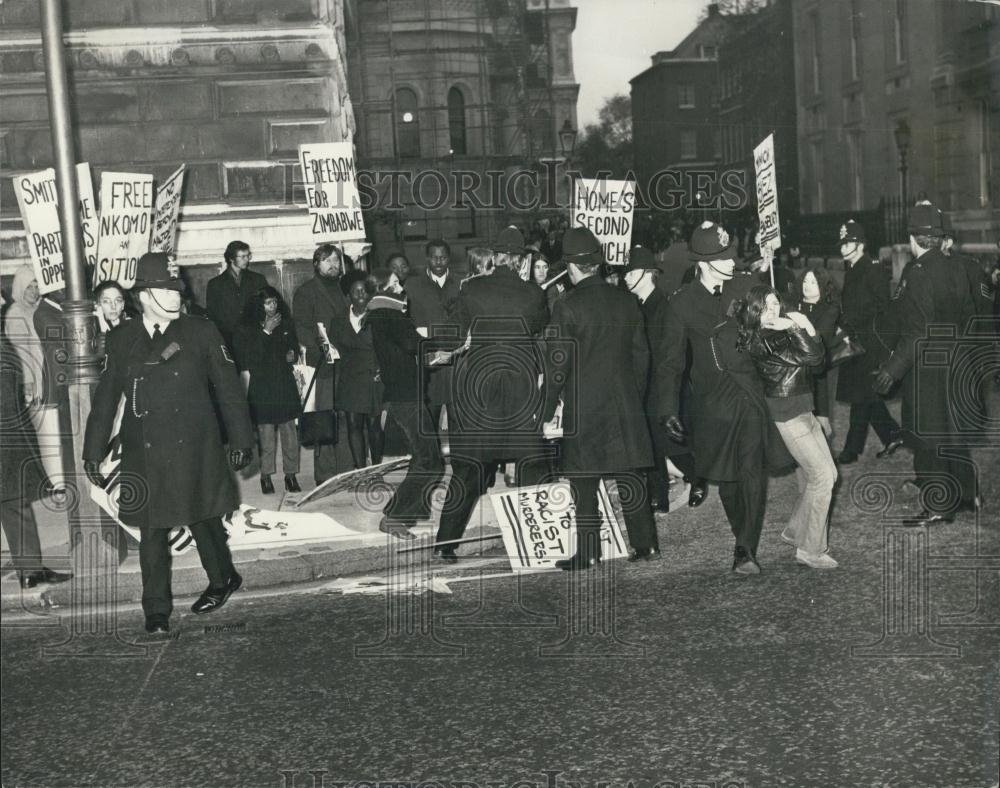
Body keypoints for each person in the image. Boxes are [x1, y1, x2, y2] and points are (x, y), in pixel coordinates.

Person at [83, 253, 254, 634]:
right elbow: (106, 398)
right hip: (144, 447)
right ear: (143, 296)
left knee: (203, 517)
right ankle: (156, 610)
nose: (176, 297)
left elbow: (229, 389)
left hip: (194, 443)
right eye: (165, 290)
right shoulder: (121, 338)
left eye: (177, 290)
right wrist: (92, 451)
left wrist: (241, 438)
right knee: (152, 530)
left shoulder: (201, 331)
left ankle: (223, 578)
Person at [658, 221, 792, 575]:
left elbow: (776, 314)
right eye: (723, 257)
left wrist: (778, 306)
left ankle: (745, 549)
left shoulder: (746, 285)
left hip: (749, 393)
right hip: (711, 402)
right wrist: (667, 407)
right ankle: (741, 533)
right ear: (702, 263)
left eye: (731, 254)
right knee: (729, 479)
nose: (732, 262)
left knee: (751, 469)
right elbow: (670, 362)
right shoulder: (682, 303)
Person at [543, 227, 660, 569]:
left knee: (583, 480)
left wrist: (547, 408)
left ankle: (589, 552)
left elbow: (557, 365)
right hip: (625, 402)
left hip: (585, 406)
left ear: (573, 268)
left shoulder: (567, 306)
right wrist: (632, 394)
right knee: (630, 475)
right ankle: (646, 545)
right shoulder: (627, 301)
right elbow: (642, 356)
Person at [433, 225, 551, 562]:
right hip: (519, 389)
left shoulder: (472, 291)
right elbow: (539, 326)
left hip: (479, 390)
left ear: (496, 257)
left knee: (469, 469)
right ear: (520, 260)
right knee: (531, 464)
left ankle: (446, 544)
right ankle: (536, 541)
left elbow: (450, 339)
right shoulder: (533, 294)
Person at [872, 202, 979, 526]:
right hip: (957, 361)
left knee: (929, 436)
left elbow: (917, 334)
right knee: (954, 434)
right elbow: (969, 315)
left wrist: (892, 370)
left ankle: (939, 506)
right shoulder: (957, 267)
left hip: (928, 368)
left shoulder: (918, 273)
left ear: (914, 239)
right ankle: (966, 495)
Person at [737, 286, 839, 569]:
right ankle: (810, 550)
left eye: (775, 303)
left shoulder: (778, 334)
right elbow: (813, 357)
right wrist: (798, 325)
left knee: (828, 474)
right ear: (755, 311)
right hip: (787, 413)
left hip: (802, 407)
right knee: (822, 478)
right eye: (766, 305)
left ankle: (795, 530)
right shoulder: (763, 341)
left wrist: (799, 326)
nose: (773, 310)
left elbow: (818, 360)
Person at [622, 246, 700, 514]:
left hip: (663, 386)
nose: (625, 278)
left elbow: (669, 354)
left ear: (647, 274)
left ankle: (697, 473)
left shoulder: (664, 306)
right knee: (652, 443)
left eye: (631, 273)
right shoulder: (636, 305)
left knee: (670, 441)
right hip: (645, 385)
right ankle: (659, 496)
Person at [367, 289, 445, 539]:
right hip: (407, 398)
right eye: (393, 283)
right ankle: (395, 518)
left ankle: (407, 511)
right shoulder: (391, 316)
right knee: (430, 461)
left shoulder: (379, 319)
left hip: (404, 396)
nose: (401, 288)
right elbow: (414, 343)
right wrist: (446, 342)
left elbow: (406, 351)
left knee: (422, 457)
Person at [0, 333, 72, 589]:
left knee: (13, 502)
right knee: (13, 501)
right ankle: (30, 570)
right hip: (7, 435)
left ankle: (30, 569)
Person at [834, 221, 903, 464]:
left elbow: (882, 306)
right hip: (855, 341)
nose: (844, 248)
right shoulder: (852, 268)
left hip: (870, 342)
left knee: (861, 395)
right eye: (842, 243)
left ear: (860, 245)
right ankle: (892, 434)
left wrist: (854, 322)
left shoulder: (871, 269)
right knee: (863, 395)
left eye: (849, 243)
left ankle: (851, 450)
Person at [234, 286, 301, 495]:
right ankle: (266, 476)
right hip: (262, 386)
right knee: (266, 436)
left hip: (284, 383)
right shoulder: (248, 328)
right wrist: (266, 331)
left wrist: (293, 353)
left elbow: (294, 348)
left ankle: (291, 475)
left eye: (274, 302)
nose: (272, 307)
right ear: (259, 306)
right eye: (267, 303)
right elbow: (250, 359)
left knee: (290, 433)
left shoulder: (286, 322)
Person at [2, 265, 64, 490]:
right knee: (44, 434)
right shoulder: (16, 313)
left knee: (52, 431)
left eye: (37, 285)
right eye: (29, 286)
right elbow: (21, 352)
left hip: (45, 378)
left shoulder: (38, 309)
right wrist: (29, 385)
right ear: (19, 288)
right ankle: (53, 482)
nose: (34, 290)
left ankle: (55, 478)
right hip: (33, 384)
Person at [292, 244, 348, 485]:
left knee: (348, 419)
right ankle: (326, 476)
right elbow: (303, 329)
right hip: (324, 367)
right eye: (326, 260)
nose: (333, 264)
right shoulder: (306, 292)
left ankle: (348, 471)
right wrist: (322, 351)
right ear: (316, 264)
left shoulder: (346, 288)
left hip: (350, 365)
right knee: (326, 419)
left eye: (336, 259)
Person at [403, 239, 460, 440]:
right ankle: (432, 466)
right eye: (434, 257)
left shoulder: (462, 284)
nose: (438, 262)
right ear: (427, 258)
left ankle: (460, 468)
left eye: (443, 257)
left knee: (458, 419)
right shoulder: (412, 286)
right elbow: (405, 321)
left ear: (449, 259)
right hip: (429, 364)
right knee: (430, 419)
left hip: (456, 362)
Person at [330, 271, 385, 469]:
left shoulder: (379, 316)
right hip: (350, 377)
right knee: (353, 425)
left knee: (373, 426)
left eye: (364, 291)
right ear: (348, 296)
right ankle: (360, 470)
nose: (361, 295)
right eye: (356, 292)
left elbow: (387, 345)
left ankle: (376, 468)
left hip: (373, 376)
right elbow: (335, 343)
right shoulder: (338, 321)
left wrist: (382, 367)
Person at [792, 267, 841, 439]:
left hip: (820, 373)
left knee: (821, 425)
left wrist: (800, 325)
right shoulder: (794, 304)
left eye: (813, 282)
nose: (807, 285)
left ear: (823, 286)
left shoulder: (830, 308)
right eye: (805, 281)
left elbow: (821, 337)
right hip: (795, 374)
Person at [205, 240, 268, 357]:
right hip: (228, 342)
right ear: (231, 259)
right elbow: (213, 315)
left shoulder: (258, 280)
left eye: (248, 256)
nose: (247, 259)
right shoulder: (215, 284)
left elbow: (266, 307)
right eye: (243, 256)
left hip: (255, 340)